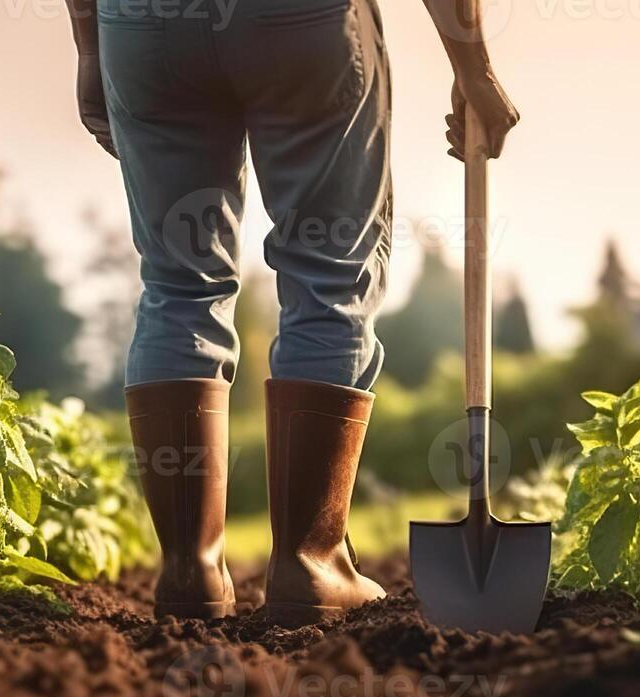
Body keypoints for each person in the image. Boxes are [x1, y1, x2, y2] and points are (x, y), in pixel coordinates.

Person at [67, 0, 519, 624]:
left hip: (144, 26)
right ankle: (310, 563)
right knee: (330, 274)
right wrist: (473, 66)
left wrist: (92, 48)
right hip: (300, 23)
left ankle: (189, 571)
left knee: (178, 282)